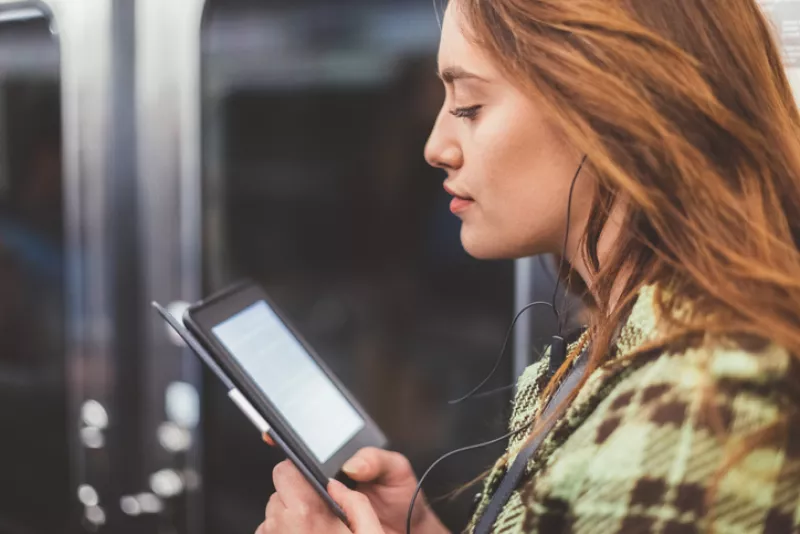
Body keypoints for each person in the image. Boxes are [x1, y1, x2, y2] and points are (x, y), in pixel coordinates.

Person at [257, 0, 800, 532]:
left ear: (606, 107)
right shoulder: (612, 352)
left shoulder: (693, 409)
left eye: (469, 106)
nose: (435, 146)